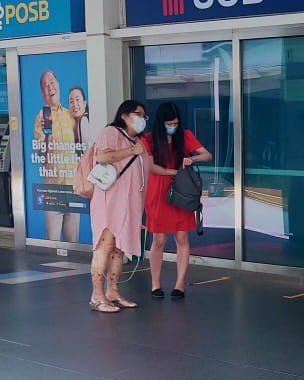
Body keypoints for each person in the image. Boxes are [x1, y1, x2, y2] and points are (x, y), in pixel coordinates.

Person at [141, 102, 211, 299]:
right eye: (169, 123)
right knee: (159, 239)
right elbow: (151, 167)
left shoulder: (185, 135)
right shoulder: (149, 139)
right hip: (159, 192)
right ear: (160, 123)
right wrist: (175, 172)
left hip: (181, 191)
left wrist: (192, 160)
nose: (173, 125)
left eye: (175, 122)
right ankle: (156, 283)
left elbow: (206, 155)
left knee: (182, 237)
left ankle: (180, 284)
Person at [89, 100, 149, 313]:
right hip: (109, 200)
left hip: (129, 203)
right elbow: (103, 156)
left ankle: (112, 291)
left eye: (144, 115)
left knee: (118, 249)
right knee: (105, 246)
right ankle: (97, 296)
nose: (142, 118)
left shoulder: (138, 141)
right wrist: (131, 150)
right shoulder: (111, 132)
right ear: (124, 115)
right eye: (138, 113)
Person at [33, 70, 79, 242]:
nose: (50, 86)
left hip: (73, 187)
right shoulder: (41, 117)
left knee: (73, 242)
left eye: (52, 82)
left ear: (58, 85)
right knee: (52, 243)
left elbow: (80, 147)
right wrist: (47, 135)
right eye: (45, 85)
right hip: (53, 189)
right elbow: (41, 152)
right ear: (42, 92)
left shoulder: (71, 115)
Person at [68, 85, 90, 156]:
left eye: (77, 100)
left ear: (84, 103)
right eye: (71, 101)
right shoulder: (71, 124)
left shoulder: (83, 120)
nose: (74, 104)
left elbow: (86, 153)